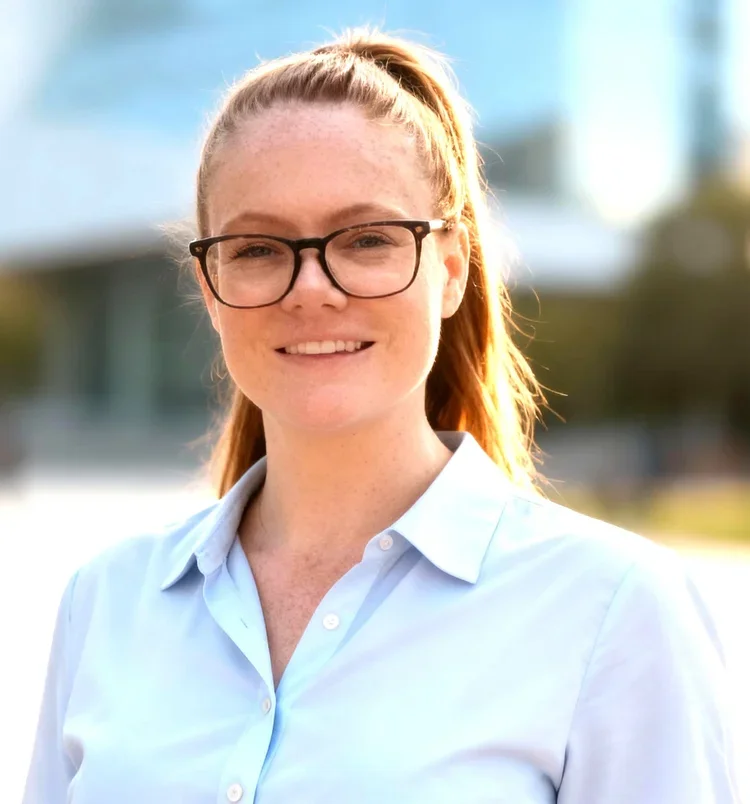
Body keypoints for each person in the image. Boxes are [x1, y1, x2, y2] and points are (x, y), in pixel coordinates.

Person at [24, 28, 740, 804]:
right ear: (209, 285)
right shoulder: (105, 602)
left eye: (366, 238)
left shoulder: (616, 611)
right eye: (260, 247)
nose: (311, 288)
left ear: (452, 270)